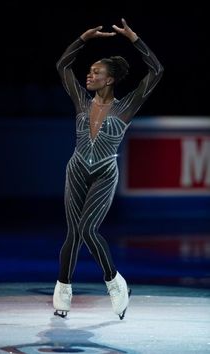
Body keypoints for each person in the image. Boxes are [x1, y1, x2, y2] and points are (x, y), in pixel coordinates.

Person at [53, 18, 164, 319]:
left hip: (104, 173)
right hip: (76, 169)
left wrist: (135, 39)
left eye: (95, 72)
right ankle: (63, 288)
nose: (89, 75)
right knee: (73, 234)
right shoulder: (81, 100)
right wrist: (82, 38)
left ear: (110, 79)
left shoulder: (126, 106)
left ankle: (115, 282)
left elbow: (157, 71)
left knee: (88, 228)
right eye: (89, 71)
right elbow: (63, 66)